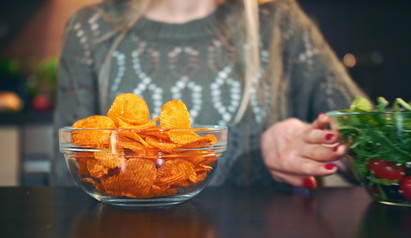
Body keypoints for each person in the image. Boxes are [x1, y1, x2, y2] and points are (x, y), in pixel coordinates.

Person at [51, 0, 365, 189]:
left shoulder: (282, 26)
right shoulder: (90, 30)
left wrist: (322, 146)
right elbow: (67, 180)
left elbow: (377, 149)